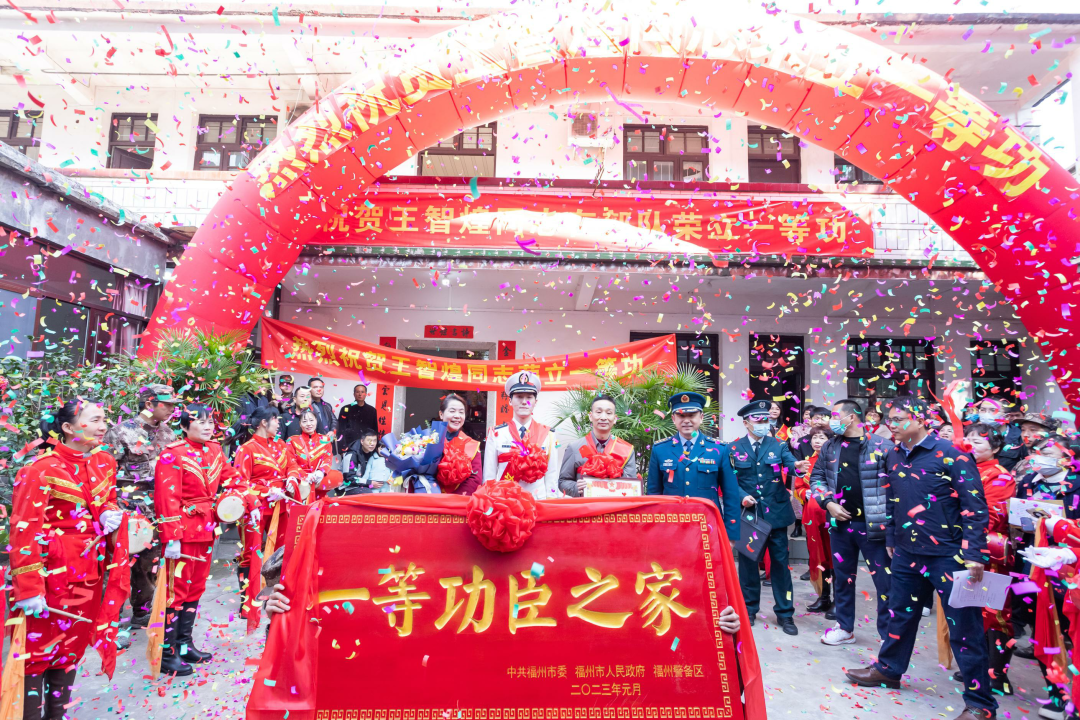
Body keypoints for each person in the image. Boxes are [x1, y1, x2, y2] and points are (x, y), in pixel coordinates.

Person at [845, 397, 996, 720]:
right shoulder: (894, 455)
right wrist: (890, 537)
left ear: (921, 419)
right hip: (906, 553)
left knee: (965, 630)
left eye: (899, 419)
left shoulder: (952, 454)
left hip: (950, 556)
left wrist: (974, 553)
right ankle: (889, 669)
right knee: (899, 615)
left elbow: (974, 506)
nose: (892, 425)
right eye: (889, 419)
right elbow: (891, 499)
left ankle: (980, 704)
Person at [10, 398, 127, 720]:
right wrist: (29, 588)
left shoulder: (104, 461)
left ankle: (57, 715)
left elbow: (107, 499)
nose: (103, 426)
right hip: (50, 577)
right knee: (37, 654)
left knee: (70, 649)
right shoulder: (39, 469)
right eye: (95, 420)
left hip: (89, 572)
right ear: (67, 427)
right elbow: (24, 531)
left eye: (105, 419)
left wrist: (108, 513)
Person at [154, 403, 247, 676]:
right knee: (176, 591)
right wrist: (171, 537)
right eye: (201, 422)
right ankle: (167, 653)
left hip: (207, 527)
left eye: (211, 422)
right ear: (184, 426)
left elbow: (233, 480)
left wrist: (243, 499)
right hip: (182, 531)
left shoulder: (215, 450)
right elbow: (166, 498)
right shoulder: (172, 454)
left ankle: (184, 645)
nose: (208, 427)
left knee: (195, 588)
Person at [810, 399, 895, 646]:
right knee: (843, 578)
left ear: (851, 417)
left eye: (835, 416)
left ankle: (888, 635)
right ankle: (845, 627)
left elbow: (895, 486)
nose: (831, 421)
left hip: (875, 526)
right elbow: (817, 478)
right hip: (840, 524)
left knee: (885, 582)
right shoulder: (830, 446)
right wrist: (828, 503)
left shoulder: (883, 446)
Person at [101, 383, 178, 630]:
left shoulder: (169, 434)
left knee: (150, 563)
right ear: (149, 404)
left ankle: (141, 612)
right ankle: (109, 622)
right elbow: (105, 471)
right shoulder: (120, 432)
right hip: (125, 506)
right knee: (117, 565)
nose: (172, 409)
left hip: (156, 509)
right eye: (167, 404)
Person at [950, 423, 1016, 695]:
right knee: (971, 608)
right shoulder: (962, 468)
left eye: (978, 442)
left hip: (988, 551)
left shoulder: (999, 475)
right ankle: (977, 667)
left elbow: (991, 515)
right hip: (964, 547)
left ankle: (997, 673)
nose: (971, 446)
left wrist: (962, 531)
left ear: (996, 448)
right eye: (969, 440)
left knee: (996, 613)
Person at [730, 400, 806, 635]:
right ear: (746, 423)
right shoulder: (733, 448)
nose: (763, 423)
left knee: (780, 565)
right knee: (748, 565)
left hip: (776, 515)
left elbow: (791, 465)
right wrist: (741, 496)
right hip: (749, 515)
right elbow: (729, 480)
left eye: (766, 419)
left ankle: (785, 614)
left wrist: (798, 466)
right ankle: (748, 609)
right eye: (758, 420)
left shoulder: (778, 445)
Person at [232, 406, 301, 613]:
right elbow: (239, 482)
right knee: (250, 553)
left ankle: (276, 598)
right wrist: (265, 491)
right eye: (275, 419)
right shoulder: (247, 449)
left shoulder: (281, 444)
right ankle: (247, 603)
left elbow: (293, 466)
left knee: (282, 551)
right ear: (264, 422)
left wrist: (292, 479)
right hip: (255, 508)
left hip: (280, 507)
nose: (279, 423)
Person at [646, 392, 741, 533]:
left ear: (701, 417)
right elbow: (654, 494)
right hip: (671, 527)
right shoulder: (660, 449)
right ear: (673, 418)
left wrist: (731, 534)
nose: (686, 420)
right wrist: (655, 529)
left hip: (708, 526)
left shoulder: (719, 449)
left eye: (691, 415)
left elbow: (731, 494)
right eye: (681, 416)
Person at [483, 372, 559, 499]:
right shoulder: (496, 434)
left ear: (535, 402)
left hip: (537, 502)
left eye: (529, 397)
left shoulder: (548, 435)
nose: (524, 402)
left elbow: (551, 476)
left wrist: (551, 502)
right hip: (506, 502)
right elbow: (489, 476)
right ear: (510, 401)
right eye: (519, 397)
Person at [560, 395, 638, 497]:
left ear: (615, 418)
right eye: (598, 412)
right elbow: (563, 481)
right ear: (590, 416)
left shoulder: (626, 450)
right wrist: (575, 487)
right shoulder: (575, 448)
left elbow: (632, 484)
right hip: (585, 506)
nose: (603, 417)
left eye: (609, 413)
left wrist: (616, 473)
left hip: (615, 505)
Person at [791, 428, 834, 614]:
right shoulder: (807, 463)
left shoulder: (835, 461)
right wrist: (804, 493)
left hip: (832, 516)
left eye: (821, 437)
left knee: (835, 556)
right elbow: (798, 487)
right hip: (812, 517)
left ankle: (839, 600)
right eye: (814, 437)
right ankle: (824, 597)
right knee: (818, 556)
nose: (817, 440)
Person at [285, 409, 342, 502]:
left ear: (316, 421)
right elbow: (291, 463)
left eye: (311, 420)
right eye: (304, 421)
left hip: (318, 479)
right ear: (300, 424)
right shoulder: (292, 441)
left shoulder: (325, 440)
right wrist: (304, 475)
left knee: (337, 476)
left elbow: (327, 459)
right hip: (300, 480)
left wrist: (320, 472)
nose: (308, 424)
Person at [435, 393, 483, 495]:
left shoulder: (472, 445)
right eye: (452, 411)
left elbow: (475, 479)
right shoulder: (428, 440)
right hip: (431, 498)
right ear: (441, 414)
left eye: (461, 412)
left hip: (459, 500)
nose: (457, 416)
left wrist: (453, 499)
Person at [339, 429, 394, 494]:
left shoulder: (373, 452)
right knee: (369, 493)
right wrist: (370, 483)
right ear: (362, 441)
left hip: (364, 485)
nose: (372, 444)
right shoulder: (352, 455)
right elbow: (349, 478)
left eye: (374, 441)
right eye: (369, 441)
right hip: (347, 488)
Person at [337, 383, 379, 451]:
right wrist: (342, 448)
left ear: (366, 394)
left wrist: (375, 447)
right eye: (357, 392)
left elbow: (375, 430)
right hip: (349, 446)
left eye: (362, 392)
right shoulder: (345, 409)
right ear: (354, 394)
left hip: (367, 447)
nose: (360, 394)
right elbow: (340, 429)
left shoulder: (372, 410)